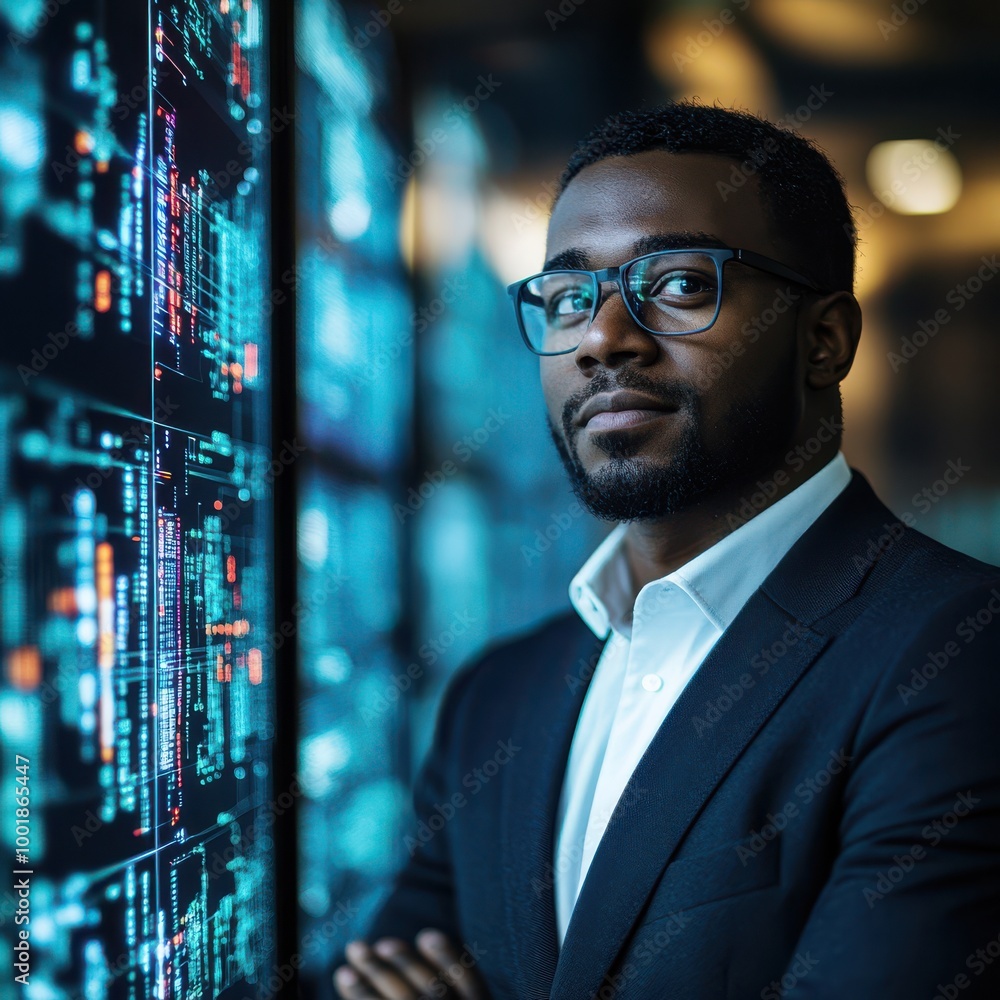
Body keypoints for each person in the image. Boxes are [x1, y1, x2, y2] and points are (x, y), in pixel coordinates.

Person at [333, 102, 1000, 999]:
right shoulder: (495, 699)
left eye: (681, 284)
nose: (605, 338)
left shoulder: (959, 656)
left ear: (825, 341)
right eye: (570, 299)